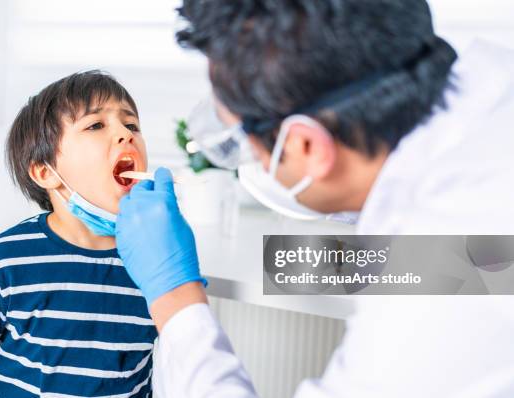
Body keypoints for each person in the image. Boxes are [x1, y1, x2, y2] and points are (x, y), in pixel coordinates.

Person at [114, 0, 514, 397]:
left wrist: (174, 296)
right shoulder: (485, 102)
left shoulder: (426, 326)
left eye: (241, 141)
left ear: (305, 144)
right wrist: (295, 265)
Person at [0, 71, 164, 397]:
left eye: (132, 125)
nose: (126, 134)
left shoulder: (156, 260)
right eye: (96, 125)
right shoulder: (6, 259)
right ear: (44, 172)